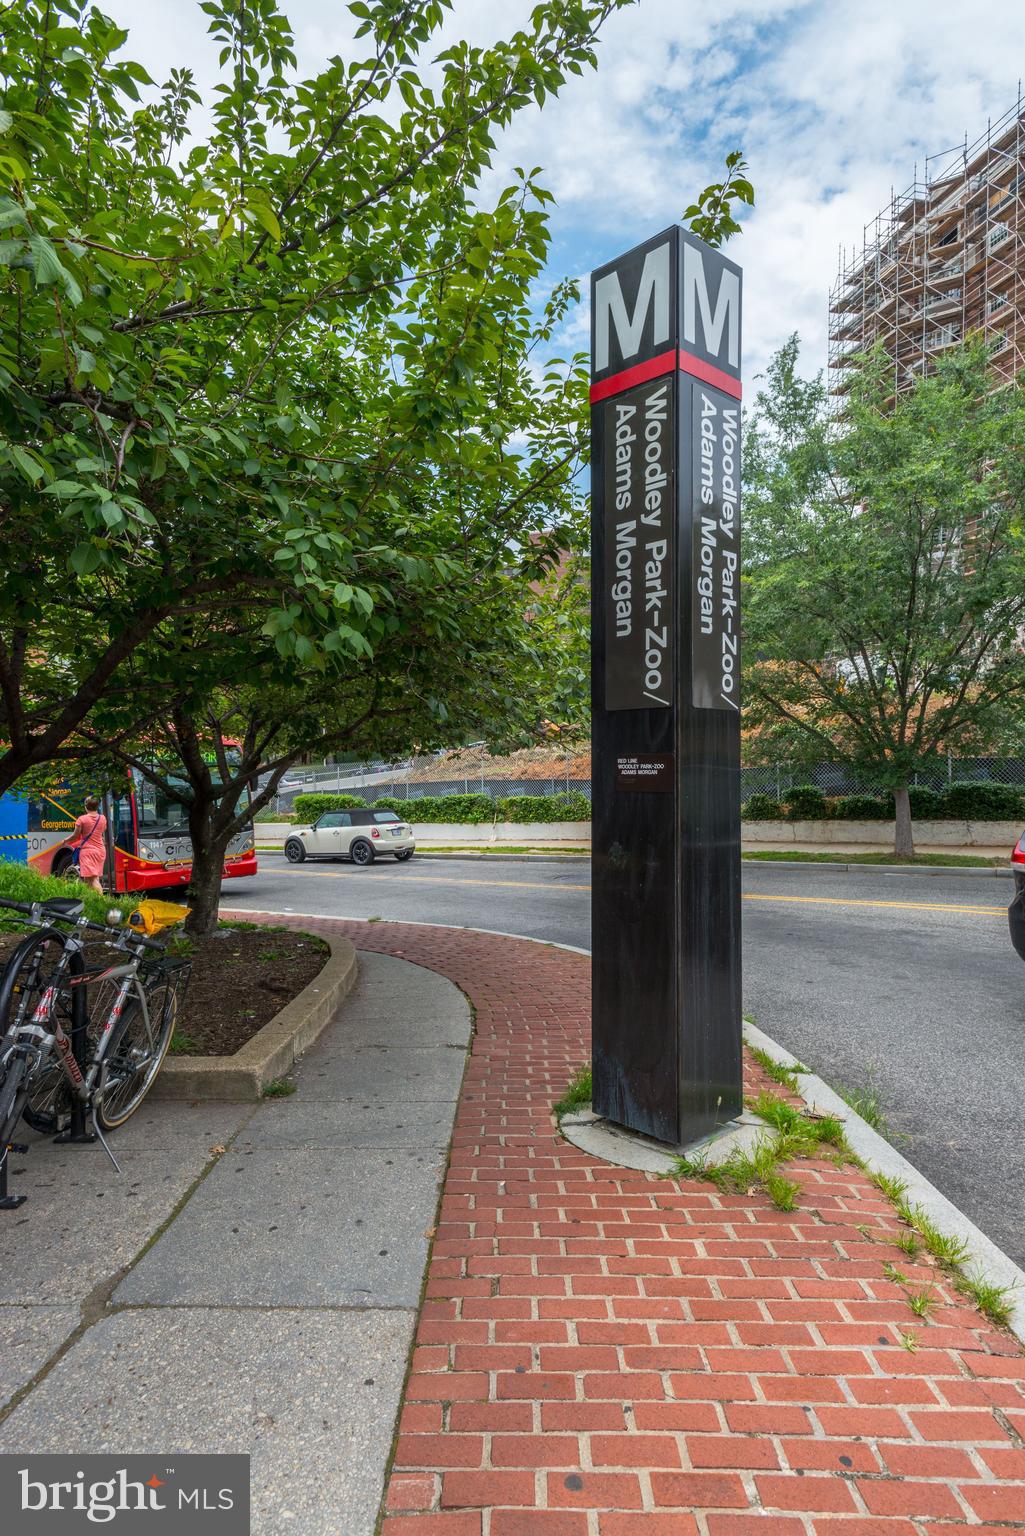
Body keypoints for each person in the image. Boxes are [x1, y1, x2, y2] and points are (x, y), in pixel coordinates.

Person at [67, 795, 107, 894]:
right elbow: (103, 830)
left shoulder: (82, 819)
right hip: (100, 851)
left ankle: (101, 901)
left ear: (86, 806)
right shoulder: (102, 818)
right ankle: (89, 899)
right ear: (97, 807)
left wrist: (65, 841)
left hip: (88, 852)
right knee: (89, 878)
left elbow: (75, 836)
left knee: (93, 880)